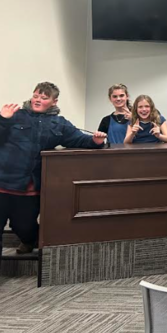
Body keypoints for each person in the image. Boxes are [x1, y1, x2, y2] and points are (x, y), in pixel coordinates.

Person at [0, 82, 106, 253]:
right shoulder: (15, 115)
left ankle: (29, 241)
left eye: (43, 97)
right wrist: (3, 120)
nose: (37, 100)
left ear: (54, 101)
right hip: (3, 183)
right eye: (35, 96)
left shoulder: (59, 124)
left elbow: (79, 139)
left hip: (29, 187)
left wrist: (96, 141)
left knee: (24, 226)